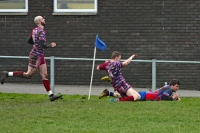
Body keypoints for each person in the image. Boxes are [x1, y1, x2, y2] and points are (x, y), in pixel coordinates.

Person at [0, 16, 62, 102]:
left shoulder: (34, 30)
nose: (45, 19)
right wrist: (50, 45)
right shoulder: (42, 31)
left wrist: (36, 43)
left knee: (44, 75)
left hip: (40, 55)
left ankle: (51, 95)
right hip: (36, 56)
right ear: (40, 21)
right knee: (28, 75)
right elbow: (42, 45)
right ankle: (7, 74)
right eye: (43, 19)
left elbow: (29, 41)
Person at [99, 79, 181, 101]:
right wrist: (173, 98)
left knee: (127, 95)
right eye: (176, 86)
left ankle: (108, 93)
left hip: (146, 94)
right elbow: (164, 98)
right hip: (145, 96)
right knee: (131, 97)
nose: (178, 88)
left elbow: (158, 92)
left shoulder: (167, 88)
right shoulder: (168, 90)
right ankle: (115, 99)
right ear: (172, 86)